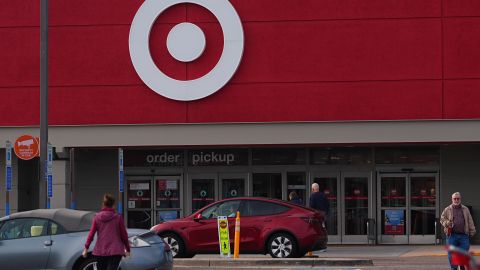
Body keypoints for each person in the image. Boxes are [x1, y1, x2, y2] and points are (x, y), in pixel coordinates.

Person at [83, 194, 131, 270]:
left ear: (103, 204)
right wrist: (127, 249)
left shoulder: (97, 217)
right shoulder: (118, 218)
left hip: (100, 250)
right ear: (113, 205)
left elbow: (91, 234)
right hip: (115, 251)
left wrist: (86, 248)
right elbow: (124, 235)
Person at [440, 192, 476, 270]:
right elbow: (442, 219)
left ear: (460, 199)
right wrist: (447, 223)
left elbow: (470, 220)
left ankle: (462, 266)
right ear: (452, 199)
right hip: (451, 235)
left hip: (463, 235)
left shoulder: (465, 209)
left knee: (464, 253)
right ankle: (454, 268)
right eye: (454, 198)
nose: (456, 200)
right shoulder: (447, 209)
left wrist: (472, 230)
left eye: (458, 198)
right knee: (451, 254)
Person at [309, 183, 330, 252]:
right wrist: (325, 213)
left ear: (313, 189)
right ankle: (323, 246)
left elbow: (311, 206)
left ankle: (316, 247)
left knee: (316, 230)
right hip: (323, 215)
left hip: (316, 215)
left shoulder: (312, 196)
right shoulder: (323, 195)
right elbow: (327, 205)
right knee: (323, 230)